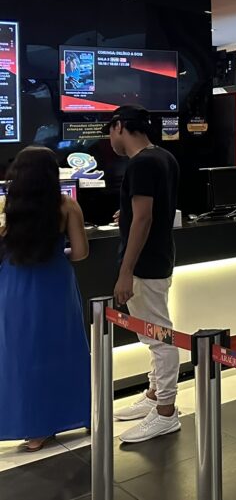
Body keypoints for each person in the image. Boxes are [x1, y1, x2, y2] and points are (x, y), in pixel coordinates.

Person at [0, 146, 90, 451]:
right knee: (62, 350)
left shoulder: (12, 205)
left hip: (14, 285)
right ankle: (73, 414)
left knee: (21, 355)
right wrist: (59, 253)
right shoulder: (67, 206)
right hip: (55, 284)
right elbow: (80, 253)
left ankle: (33, 428)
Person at [106, 105, 182, 443]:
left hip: (145, 264)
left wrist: (126, 271)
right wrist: (126, 211)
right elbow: (151, 210)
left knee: (158, 338)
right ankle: (154, 395)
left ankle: (166, 411)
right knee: (156, 332)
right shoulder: (164, 157)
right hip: (160, 256)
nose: (111, 140)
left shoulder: (140, 164)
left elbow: (144, 218)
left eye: (110, 132)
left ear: (119, 126)